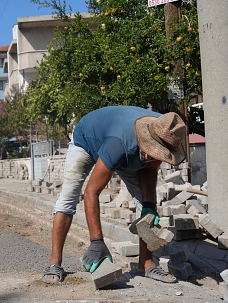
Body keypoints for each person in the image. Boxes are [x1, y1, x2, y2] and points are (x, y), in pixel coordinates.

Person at [41, 105, 188, 284]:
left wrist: (149, 207)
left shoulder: (167, 130)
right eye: (152, 150)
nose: (153, 156)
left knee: (146, 205)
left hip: (126, 148)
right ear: (146, 138)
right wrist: (96, 241)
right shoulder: (119, 143)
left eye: (159, 153)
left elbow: (149, 172)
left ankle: (147, 264)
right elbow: (92, 192)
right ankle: (54, 262)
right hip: (87, 141)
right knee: (68, 198)